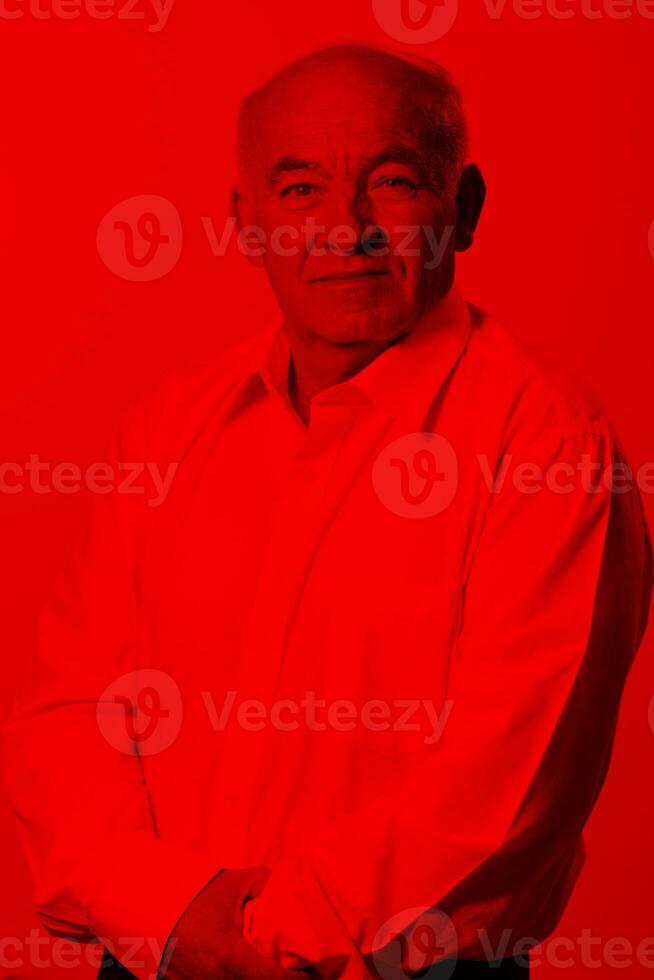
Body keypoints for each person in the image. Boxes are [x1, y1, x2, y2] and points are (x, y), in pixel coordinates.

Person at [3, 43, 652, 980]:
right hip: (162, 956)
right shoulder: (167, 426)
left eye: (392, 182)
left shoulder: (549, 445)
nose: (345, 230)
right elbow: (68, 712)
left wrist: (261, 942)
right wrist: (170, 914)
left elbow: (508, 789)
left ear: (463, 209)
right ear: (246, 220)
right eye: (300, 189)